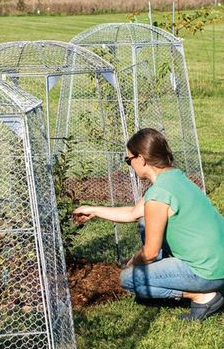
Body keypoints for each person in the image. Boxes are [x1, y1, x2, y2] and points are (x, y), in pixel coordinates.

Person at [72, 128, 224, 321]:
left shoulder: (159, 195)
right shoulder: (175, 178)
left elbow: (150, 253)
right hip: (218, 261)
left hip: (208, 272)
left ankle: (202, 296)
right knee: (146, 221)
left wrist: (132, 264)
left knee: (129, 279)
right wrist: (93, 210)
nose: (130, 165)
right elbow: (134, 213)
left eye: (129, 161)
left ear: (141, 159)